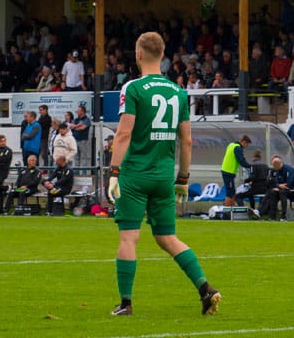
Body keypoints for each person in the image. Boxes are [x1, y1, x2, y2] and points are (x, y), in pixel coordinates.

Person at [107, 31, 220, 317]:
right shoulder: (178, 92)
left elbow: (124, 133)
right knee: (168, 237)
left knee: (128, 238)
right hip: (162, 176)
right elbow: (187, 140)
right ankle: (206, 288)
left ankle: (126, 303)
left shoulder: (133, 88)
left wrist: (114, 172)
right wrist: (183, 178)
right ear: (163, 56)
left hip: (135, 174)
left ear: (139, 54)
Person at [219, 135, 251, 207]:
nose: (246, 146)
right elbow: (241, 161)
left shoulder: (231, 145)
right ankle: (227, 209)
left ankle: (231, 207)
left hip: (226, 170)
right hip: (228, 172)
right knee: (230, 192)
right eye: (247, 144)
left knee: (232, 191)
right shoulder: (237, 148)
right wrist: (250, 166)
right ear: (243, 142)